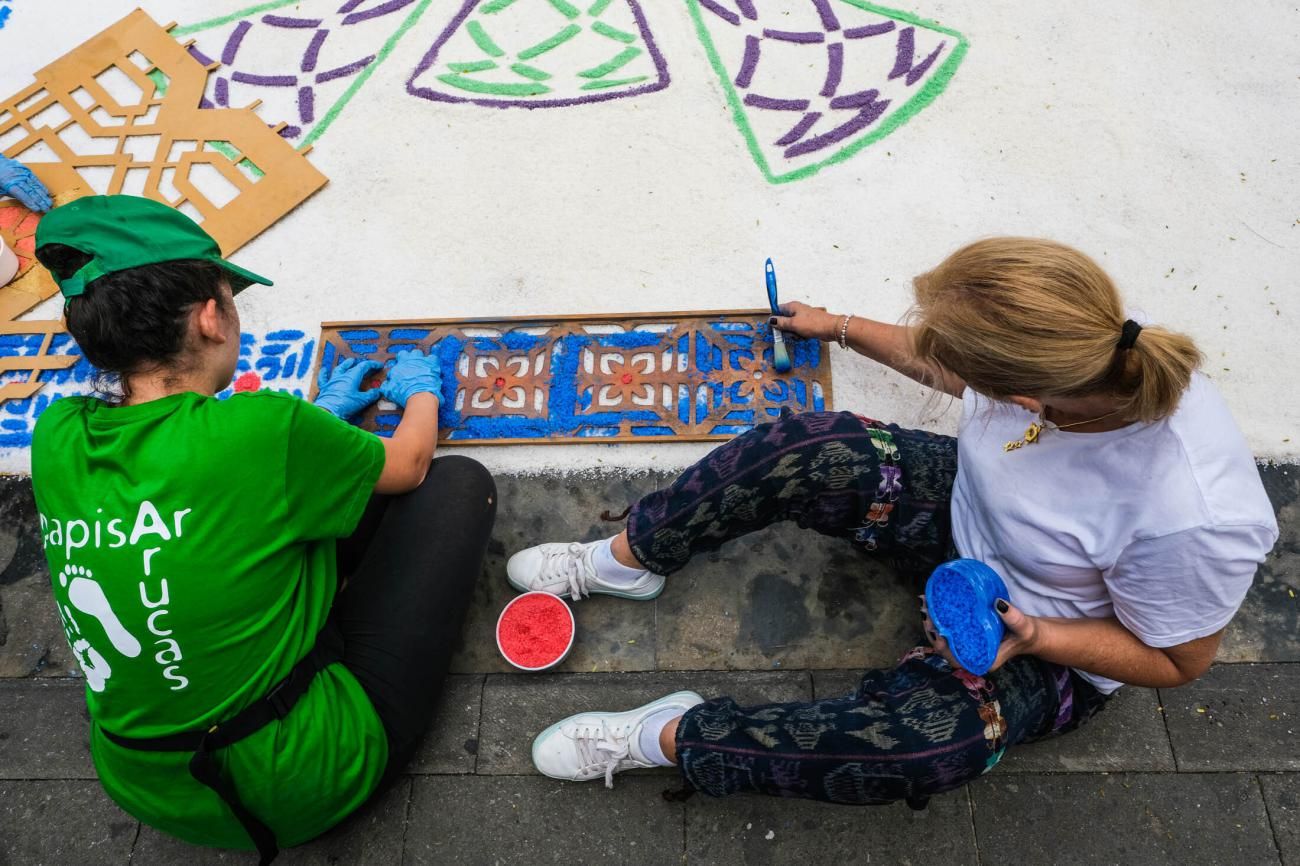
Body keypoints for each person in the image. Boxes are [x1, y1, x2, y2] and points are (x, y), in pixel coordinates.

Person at [509, 237, 1278, 804]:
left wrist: (1036, 637)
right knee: (812, 445)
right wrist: (838, 326)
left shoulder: (1192, 518)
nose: (951, 374)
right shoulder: (1081, 341)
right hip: (962, 513)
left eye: (973, 374)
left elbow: (1181, 664)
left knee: (915, 753)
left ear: (1026, 400)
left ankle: (674, 735)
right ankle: (632, 556)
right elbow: (947, 358)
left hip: (1043, 642)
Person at [30, 195, 495, 864]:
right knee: (458, 489)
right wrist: (421, 393)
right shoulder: (262, 430)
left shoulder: (56, 435)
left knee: (271, 519)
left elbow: (195, 485)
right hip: (299, 779)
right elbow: (411, 464)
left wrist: (320, 422)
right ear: (212, 317)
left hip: (148, 785)